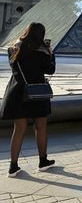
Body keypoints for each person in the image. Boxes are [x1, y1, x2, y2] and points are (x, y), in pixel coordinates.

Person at [0, 23, 56, 177]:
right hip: (37, 92)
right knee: (41, 126)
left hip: (17, 92)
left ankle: (13, 166)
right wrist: (51, 53)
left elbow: (14, 67)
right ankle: (43, 161)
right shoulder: (42, 52)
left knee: (19, 129)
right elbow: (50, 69)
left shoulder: (14, 49)